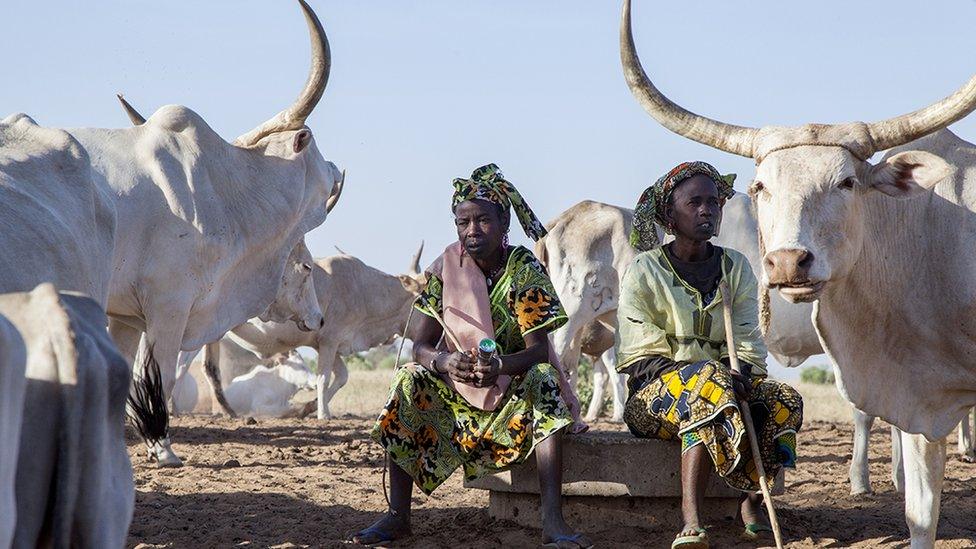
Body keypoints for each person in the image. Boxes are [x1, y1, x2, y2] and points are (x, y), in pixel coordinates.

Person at [353, 164, 591, 548]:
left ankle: (553, 521)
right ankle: (398, 515)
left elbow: (538, 353)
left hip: (511, 397)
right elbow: (421, 345)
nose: (471, 231)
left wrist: (499, 367)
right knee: (410, 378)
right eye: (462, 222)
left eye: (482, 220)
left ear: (503, 223)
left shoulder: (523, 270)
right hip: (458, 396)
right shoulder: (447, 269)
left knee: (545, 379)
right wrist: (445, 363)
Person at [615, 161, 803, 549]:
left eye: (714, 203)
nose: (707, 211)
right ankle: (692, 519)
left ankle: (751, 502)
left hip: (728, 386)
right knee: (706, 388)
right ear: (670, 214)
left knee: (785, 401)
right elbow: (640, 356)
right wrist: (707, 375)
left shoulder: (735, 268)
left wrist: (744, 378)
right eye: (694, 203)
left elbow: (749, 339)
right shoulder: (644, 270)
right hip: (653, 399)